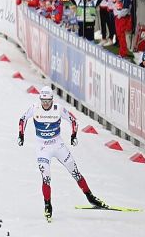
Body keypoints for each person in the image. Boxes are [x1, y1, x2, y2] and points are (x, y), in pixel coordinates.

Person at [18, 87, 106, 221]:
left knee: (75, 171)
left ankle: (90, 197)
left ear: (52, 99)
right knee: (46, 177)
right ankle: (47, 205)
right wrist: (21, 135)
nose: (46, 104)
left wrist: (73, 135)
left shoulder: (58, 108)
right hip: (42, 148)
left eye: (48, 101)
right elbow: (22, 119)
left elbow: (73, 120)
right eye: (43, 101)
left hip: (58, 145)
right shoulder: (35, 108)